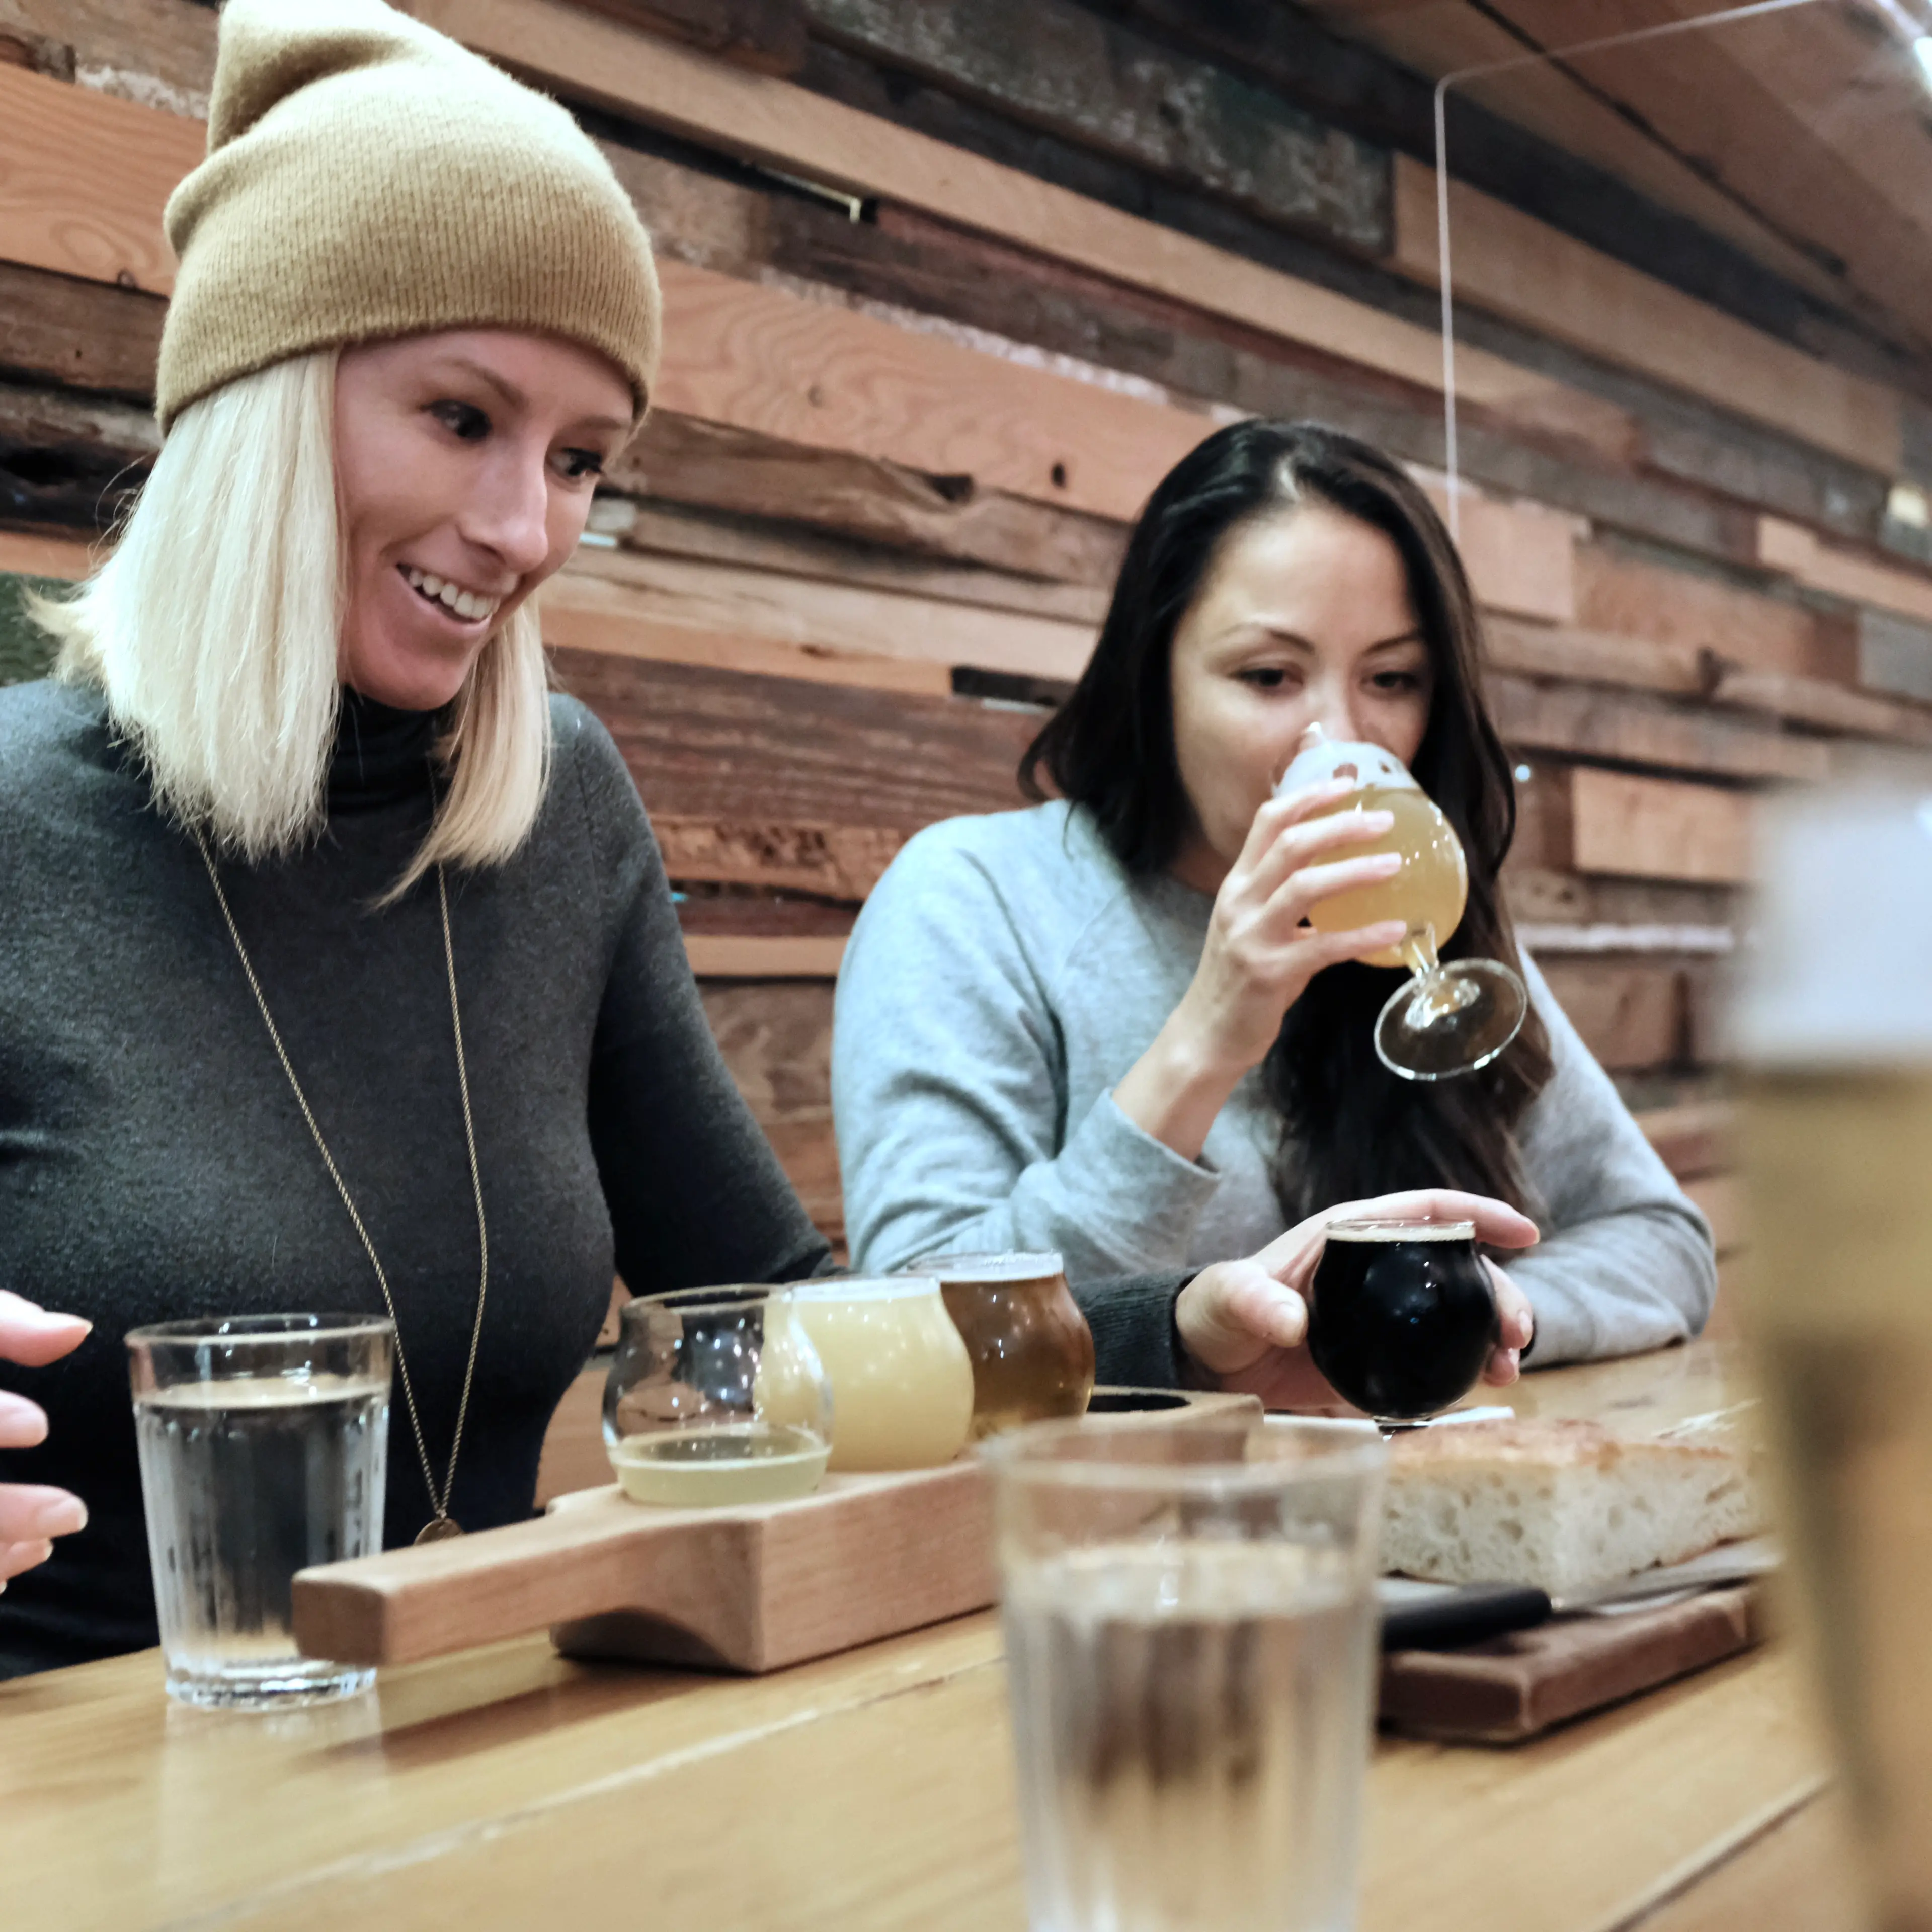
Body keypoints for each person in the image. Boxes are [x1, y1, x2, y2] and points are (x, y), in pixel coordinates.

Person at [0, 0, 833, 1677]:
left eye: (582, 459)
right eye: (462, 418)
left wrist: (1190, 1325)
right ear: (261, 398)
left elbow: (769, 1310)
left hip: (479, 1775)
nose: (528, 528)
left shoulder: (562, 806)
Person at [833, 420, 1715, 1389]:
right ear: (1154, 673)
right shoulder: (977, 900)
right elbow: (918, 1329)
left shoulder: (1409, 918)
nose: (1337, 737)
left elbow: (1660, 1239)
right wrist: (1208, 1036)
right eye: (1268, 676)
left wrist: (1483, 1319)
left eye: (1391, 680)